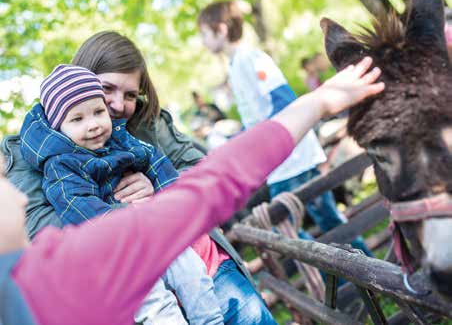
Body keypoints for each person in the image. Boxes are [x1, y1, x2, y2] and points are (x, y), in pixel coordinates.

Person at [0, 57, 385, 325]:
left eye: (107, 106)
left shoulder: (133, 134)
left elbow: (180, 169)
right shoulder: (57, 259)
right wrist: (317, 104)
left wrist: (160, 192)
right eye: (4, 187)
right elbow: (211, 185)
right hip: (139, 252)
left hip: (174, 248)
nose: (17, 195)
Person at [0, 31, 269, 324]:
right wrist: (131, 218)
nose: (118, 104)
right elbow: (37, 229)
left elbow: (199, 166)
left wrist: (157, 188)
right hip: (128, 286)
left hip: (201, 264)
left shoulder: (144, 122)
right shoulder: (32, 150)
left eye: (130, 94)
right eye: (108, 88)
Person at [19, 64, 223, 325]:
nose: (93, 124)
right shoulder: (62, 165)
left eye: (97, 112)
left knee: (191, 271)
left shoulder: (120, 138)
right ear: (60, 128)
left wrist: (171, 198)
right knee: (153, 301)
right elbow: (78, 206)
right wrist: (127, 220)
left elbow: (153, 160)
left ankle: (210, 320)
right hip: (118, 250)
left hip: (155, 231)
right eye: (77, 119)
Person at [197, 1, 372, 256]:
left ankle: (353, 278)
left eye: (204, 34)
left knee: (291, 226)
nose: (202, 42)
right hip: (280, 163)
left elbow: (282, 99)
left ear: (221, 30)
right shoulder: (235, 66)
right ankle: (345, 281)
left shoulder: (250, 58)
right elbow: (255, 117)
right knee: (315, 222)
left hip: (293, 157)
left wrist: (264, 137)